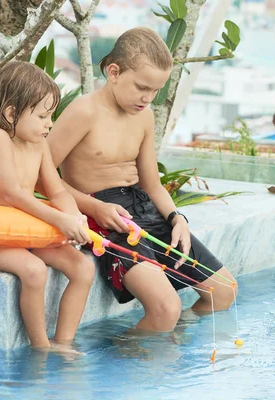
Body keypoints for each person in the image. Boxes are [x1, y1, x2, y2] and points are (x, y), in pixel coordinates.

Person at [47, 27, 237, 333]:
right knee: (166, 309)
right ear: (114, 72)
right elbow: (41, 178)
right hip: (106, 219)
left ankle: (156, 341)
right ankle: (127, 359)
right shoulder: (83, 112)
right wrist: (93, 208)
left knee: (224, 292)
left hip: (143, 209)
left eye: (155, 91)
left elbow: (152, 183)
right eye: (141, 87)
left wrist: (177, 218)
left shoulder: (144, 116)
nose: (147, 98)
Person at [0, 61, 94, 350]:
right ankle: (41, 348)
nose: (50, 124)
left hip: (25, 235)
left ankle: (64, 342)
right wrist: (58, 221)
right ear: (11, 112)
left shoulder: (39, 144)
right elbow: (12, 194)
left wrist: (74, 216)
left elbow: (57, 191)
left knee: (84, 269)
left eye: (51, 116)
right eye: (42, 116)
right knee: (35, 271)